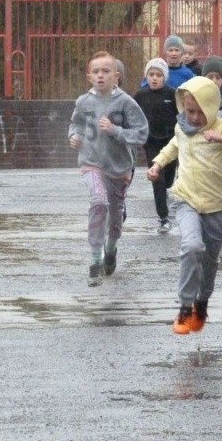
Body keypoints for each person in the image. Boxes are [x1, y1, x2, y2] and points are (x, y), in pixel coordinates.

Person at [146, 76, 222, 335]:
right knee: (191, 246)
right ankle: (185, 307)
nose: (195, 117)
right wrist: (157, 164)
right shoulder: (182, 128)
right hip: (186, 199)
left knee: (209, 261)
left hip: (217, 206)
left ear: (211, 108)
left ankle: (202, 302)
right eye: (190, 111)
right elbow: (173, 146)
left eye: (200, 112)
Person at [68, 50, 149, 286]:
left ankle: (111, 248)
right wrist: (74, 136)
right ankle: (95, 257)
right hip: (91, 163)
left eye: (105, 71)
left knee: (115, 218)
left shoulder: (126, 103)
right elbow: (77, 124)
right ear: (89, 76)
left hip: (119, 168)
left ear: (116, 76)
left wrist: (115, 130)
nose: (100, 76)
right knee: (98, 202)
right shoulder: (83, 102)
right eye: (96, 72)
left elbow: (141, 133)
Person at [134, 58, 179, 233]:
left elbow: (181, 115)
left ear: (164, 77)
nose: (154, 78)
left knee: (168, 179)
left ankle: (168, 186)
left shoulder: (172, 94)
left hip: (170, 142)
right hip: (151, 142)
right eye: (151, 74)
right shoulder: (140, 95)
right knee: (157, 178)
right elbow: (132, 115)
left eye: (158, 75)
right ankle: (163, 217)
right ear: (147, 76)